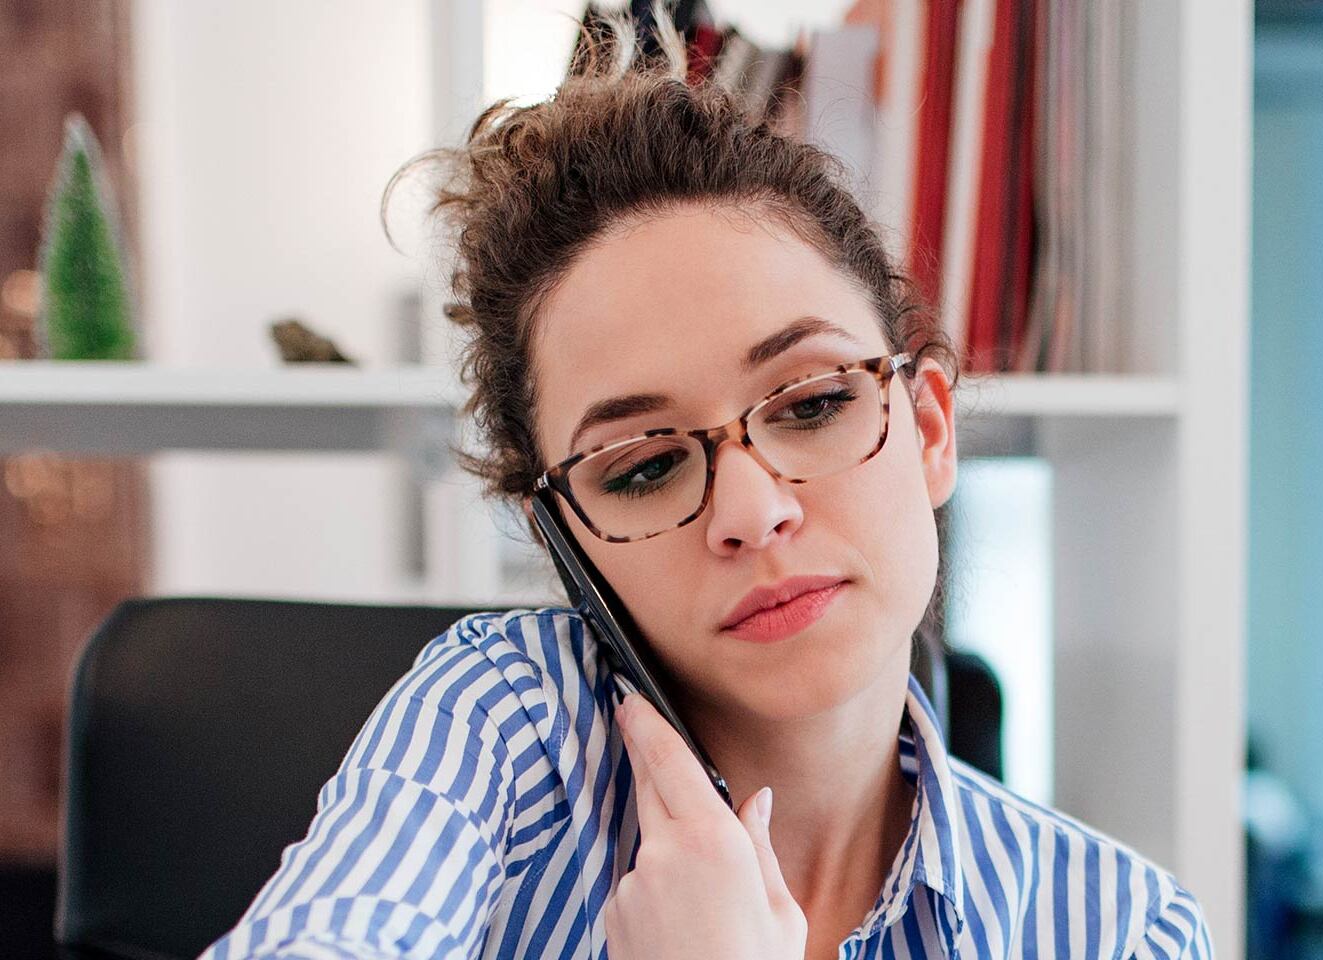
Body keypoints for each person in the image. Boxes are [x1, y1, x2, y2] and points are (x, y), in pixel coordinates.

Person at [196, 6, 1213, 959]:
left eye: (811, 403)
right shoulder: (498, 723)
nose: (752, 511)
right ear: (564, 540)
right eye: (640, 467)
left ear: (930, 427)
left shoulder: (1120, 927)